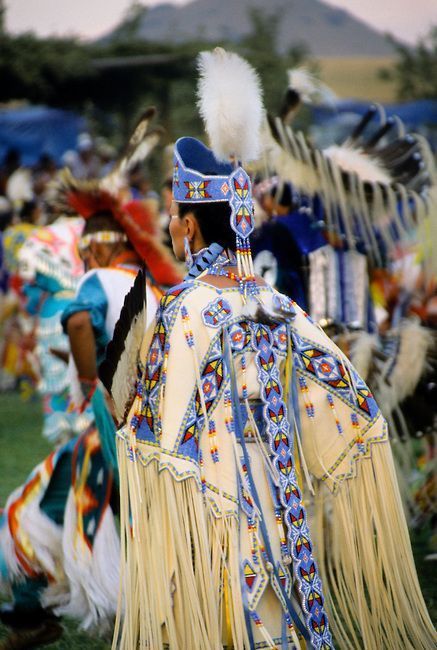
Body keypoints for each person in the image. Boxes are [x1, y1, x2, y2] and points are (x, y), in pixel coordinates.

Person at [113, 138, 435, 650]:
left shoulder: (184, 310)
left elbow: (160, 439)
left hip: (209, 508)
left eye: (174, 214)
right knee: (276, 624)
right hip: (282, 507)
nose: (169, 224)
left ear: (191, 226)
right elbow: (354, 402)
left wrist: (127, 413)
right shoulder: (278, 304)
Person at [0, 175, 181, 648]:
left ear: (99, 248)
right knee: (133, 526)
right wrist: (92, 369)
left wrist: (87, 382)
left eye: (84, 249)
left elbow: (80, 321)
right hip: (159, 438)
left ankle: (29, 611)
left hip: (112, 433)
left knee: (35, 509)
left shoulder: (98, 278)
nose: (81, 258)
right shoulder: (154, 290)